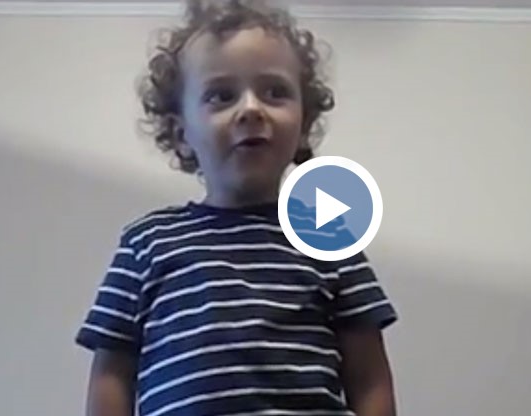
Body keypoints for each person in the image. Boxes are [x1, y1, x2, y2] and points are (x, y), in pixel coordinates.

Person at [75, 1, 398, 415]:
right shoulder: (146, 243)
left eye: (275, 92)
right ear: (181, 133)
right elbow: (112, 374)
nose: (251, 109)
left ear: (303, 125)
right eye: (221, 96)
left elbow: (369, 378)